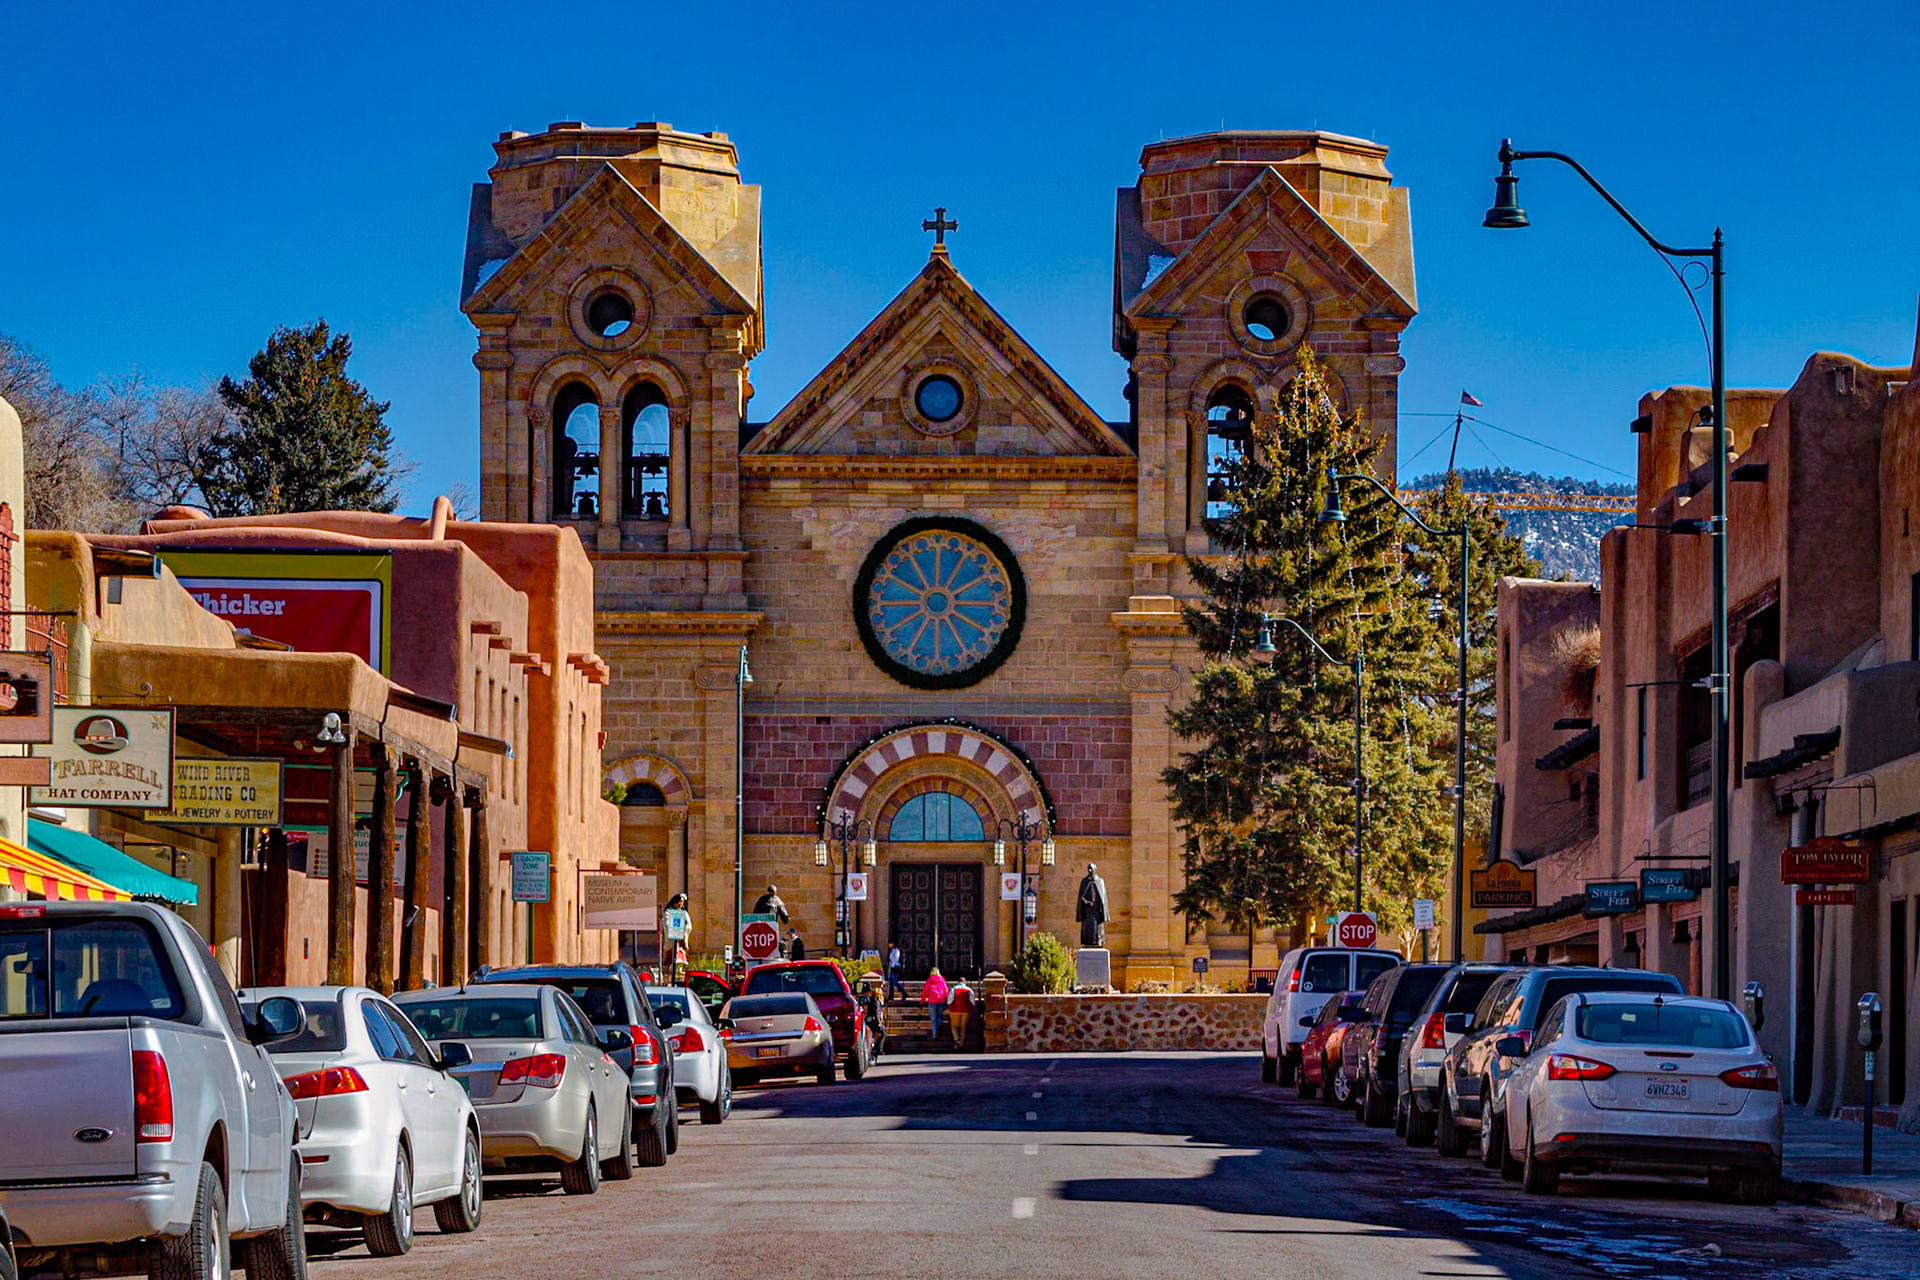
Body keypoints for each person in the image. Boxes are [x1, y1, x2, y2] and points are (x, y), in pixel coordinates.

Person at [922, 966, 950, 1040]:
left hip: (932, 1002)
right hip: (941, 1001)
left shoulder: (929, 980)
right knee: (939, 1016)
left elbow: (924, 992)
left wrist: (922, 1001)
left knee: (933, 1019)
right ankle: (939, 1024)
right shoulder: (942, 980)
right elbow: (946, 991)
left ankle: (934, 1035)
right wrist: (948, 1000)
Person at [947, 976, 974, 1047]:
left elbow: (950, 1000)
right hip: (965, 1011)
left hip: (955, 1010)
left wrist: (950, 1008)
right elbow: (972, 1001)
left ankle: (957, 1040)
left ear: (958, 982)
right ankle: (961, 1043)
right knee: (963, 1028)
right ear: (965, 982)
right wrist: (971, 1009)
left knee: (954, 1026)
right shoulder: (969, 990)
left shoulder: (954, 989)